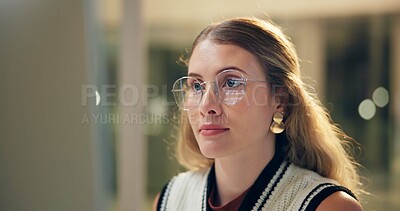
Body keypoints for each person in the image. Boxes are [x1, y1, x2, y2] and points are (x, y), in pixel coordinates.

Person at [154, 17, 364, 211]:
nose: (206, 106)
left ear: (280, 100)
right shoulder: (169, 199)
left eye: (231, 83)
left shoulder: (328, 206)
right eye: (197, 85)